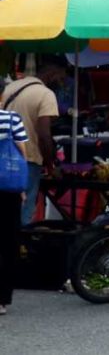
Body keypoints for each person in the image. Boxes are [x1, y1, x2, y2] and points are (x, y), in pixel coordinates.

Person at [2, 58, 64, 226]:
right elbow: (44, 134)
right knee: (24, 207)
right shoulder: (46, 94)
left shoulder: (11, 87)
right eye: (60, 78)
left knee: (6, 209)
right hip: (27, 159)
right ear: (51, 75)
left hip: (4, 157)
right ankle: (20, 247)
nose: (62, 84)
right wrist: (50, 166)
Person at [0, 107, 28, 315]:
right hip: (7, 188)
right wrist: (22, 186)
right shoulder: (11, 119)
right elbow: (21, 151)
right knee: (8, 241)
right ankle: (1, 299)